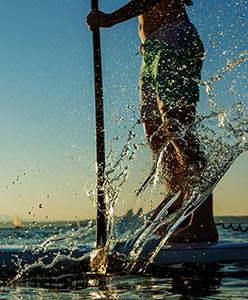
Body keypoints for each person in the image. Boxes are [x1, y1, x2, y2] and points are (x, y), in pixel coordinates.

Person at [87, 0, 218, 243]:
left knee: (177, 130)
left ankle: (202, 221)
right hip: (150, 50)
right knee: (156, 135)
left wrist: (111, 19)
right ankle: (178, 199)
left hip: (174, 40)